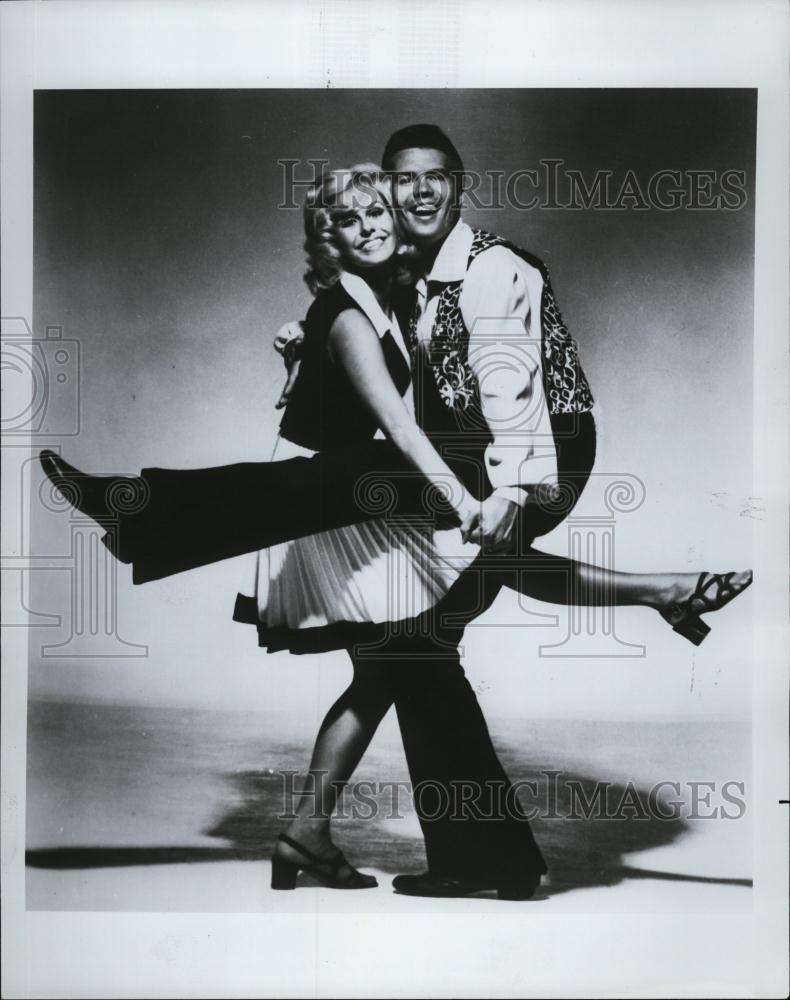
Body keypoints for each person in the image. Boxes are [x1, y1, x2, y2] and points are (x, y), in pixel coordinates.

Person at [39, 128, 752, 899]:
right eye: (401, 183)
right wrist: (302, 346)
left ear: (460, 184)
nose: (416, 196)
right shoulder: (404, 272)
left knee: (366, 493)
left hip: (540, 454)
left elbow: (510, 396)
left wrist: (507, 493)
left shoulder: (491, 272)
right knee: (404, 652)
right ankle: (342, 837)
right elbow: (376, 350)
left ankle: (137, 510)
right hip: (471, 454)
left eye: (434, 179)